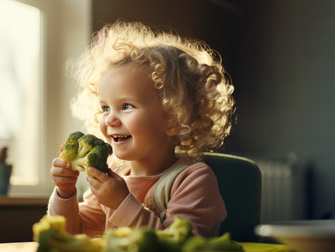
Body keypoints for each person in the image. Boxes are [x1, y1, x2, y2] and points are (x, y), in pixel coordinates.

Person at [48, 20, 236, 238]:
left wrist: (121, 203)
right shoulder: (114, 177)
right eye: (105, 108)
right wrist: (65, 192)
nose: (109, 119)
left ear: (174, 117)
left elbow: (179, 245)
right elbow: (68, 234)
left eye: (126, 106)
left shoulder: (192, 180)